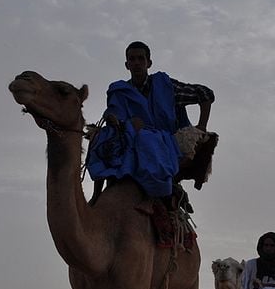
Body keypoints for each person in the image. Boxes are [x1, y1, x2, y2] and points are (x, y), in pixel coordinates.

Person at [86, 41, 214, 206]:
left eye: (141, 58)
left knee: (147, 139)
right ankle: (97, 194)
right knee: (100, 137)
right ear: (127, 64)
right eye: (132, 59)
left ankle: (163, 190)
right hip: (128, 136)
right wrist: (120, 121)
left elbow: (205, 94)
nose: (137, 63)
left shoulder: (165, 85)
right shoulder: (120, 90)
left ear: (149, 63)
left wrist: (201, 126)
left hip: (162, 140)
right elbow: (114, 113)